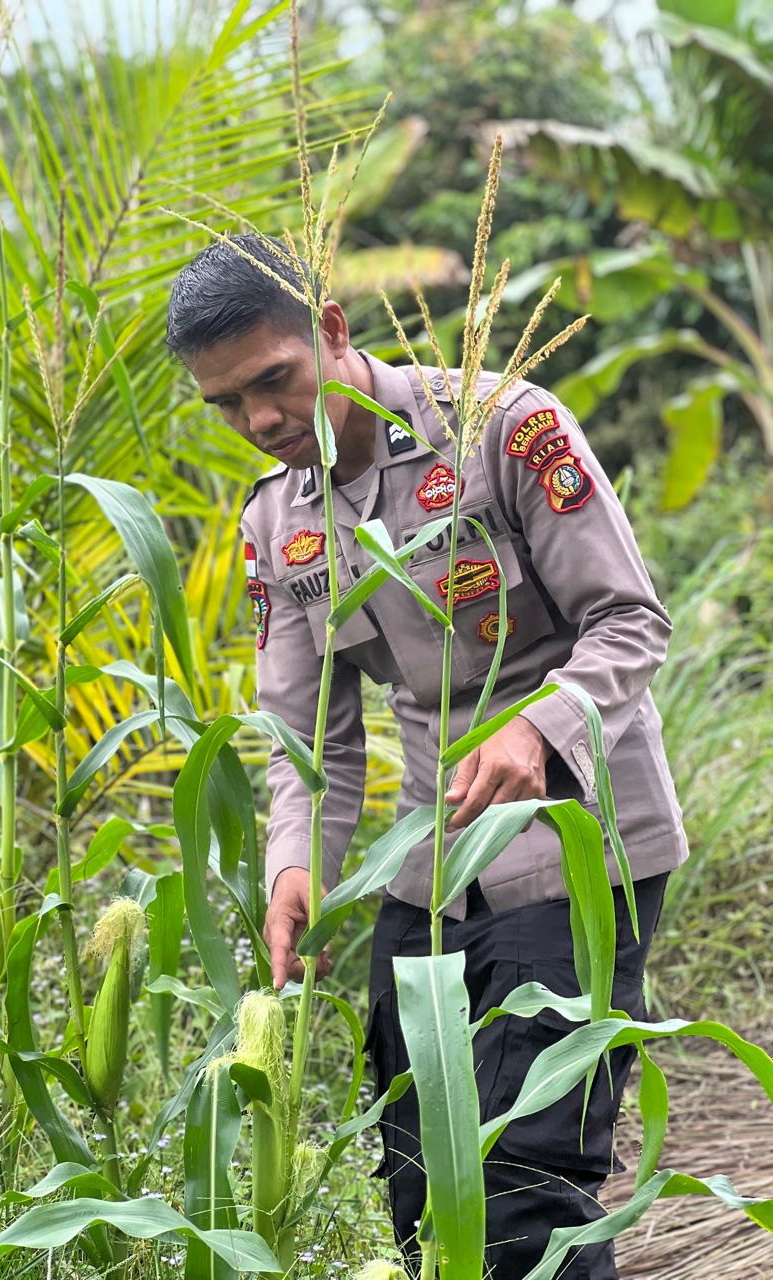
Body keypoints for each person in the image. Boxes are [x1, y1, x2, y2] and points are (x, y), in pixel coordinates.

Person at [165, 233, 688, 1279]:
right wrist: (294, 864)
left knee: (522, 1186)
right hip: (431, 865)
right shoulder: (278, 517)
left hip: (578, 843)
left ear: (330, 329)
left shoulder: (506, 427)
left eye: (274, 380)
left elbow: (632, 620)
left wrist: (537, 725)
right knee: (420, 1184)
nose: (261, 421)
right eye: (228, 404)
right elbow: (309, 737)